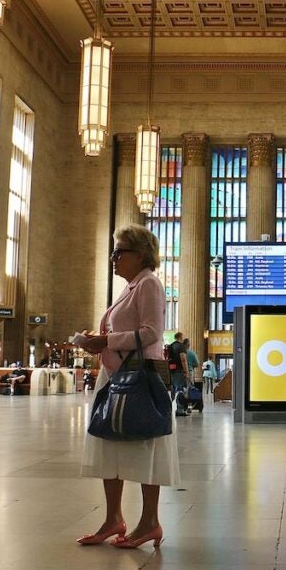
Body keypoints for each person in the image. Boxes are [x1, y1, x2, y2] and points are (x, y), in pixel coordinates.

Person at [76, 224, 180, 549]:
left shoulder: (149, 283)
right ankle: (113, 519)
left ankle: (149, 522)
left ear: (141, 254)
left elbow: (151, 332)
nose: (113, 258)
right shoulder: (131, 286)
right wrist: (98, 340)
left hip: (140, 377)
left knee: (144, 446)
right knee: (109, 442)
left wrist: (106, 340)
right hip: (116, 374)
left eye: (120, 251)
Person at [167, 332, 190, 417]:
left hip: (171, 370)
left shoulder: (170, 346)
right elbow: (183, 359)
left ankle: (167, 408)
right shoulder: (181, 346)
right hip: (179, 371)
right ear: (180, 337)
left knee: (172, 390)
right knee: (180, 390)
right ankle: (180, 409)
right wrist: (186, 372)